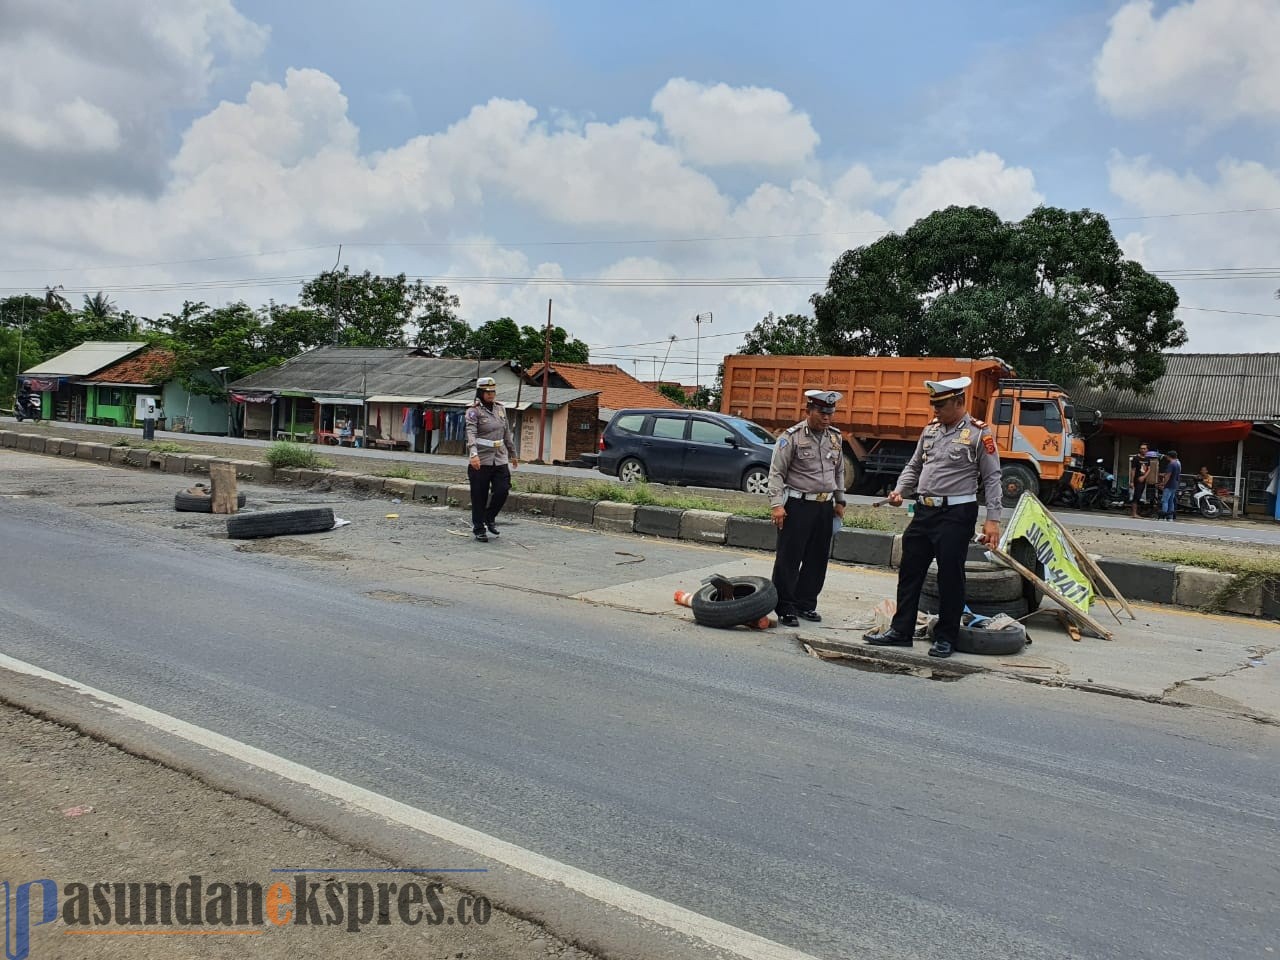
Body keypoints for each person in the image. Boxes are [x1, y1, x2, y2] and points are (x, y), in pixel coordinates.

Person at [863, 376, 1002, 659]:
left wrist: (993, 520)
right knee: (910, 571)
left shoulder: (978, 434)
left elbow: (992, 478)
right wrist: (900, 490)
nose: (935, 410)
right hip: (924, 512)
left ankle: (946, 637)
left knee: (950, 577)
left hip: (956, 513)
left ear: (959, 402)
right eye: (933, 405)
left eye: (941, 405)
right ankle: (901, 631)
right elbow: (913, 466)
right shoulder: (931, 431)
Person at [767, 389, 847, 627]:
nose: (826, 418)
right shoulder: (790, 437)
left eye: (830, 413)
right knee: (790, 558)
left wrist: (840, 500)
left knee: (817, 558)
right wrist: (776, 505)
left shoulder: (835, 437)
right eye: (822, 413)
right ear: (808, 411)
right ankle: (785, 606)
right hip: (797, 505)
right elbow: (776, 473)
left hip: (824, 506)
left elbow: (839, 471)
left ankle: (806, 604)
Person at [465, 376, 519, 542]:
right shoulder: (473, 411)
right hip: (481, 459)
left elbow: (506, 433)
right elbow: (471, 433)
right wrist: (473, 454)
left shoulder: (500, 409)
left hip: (500, 457)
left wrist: (513, 454)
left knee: (502, 490)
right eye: (486, 392)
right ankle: (479, 528)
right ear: (480, 393)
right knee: (479, 496)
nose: (490, 395)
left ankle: (490, 517)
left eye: (492, 391)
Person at [1159, 449, 1182, 520]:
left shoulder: (1171, 464)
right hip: (1175, 484)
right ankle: (1170, 517)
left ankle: (1163, 516)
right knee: (1171, 501)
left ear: (1169, 456)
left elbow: (1168, 476)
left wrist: (1163, 484)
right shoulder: (1177, 464)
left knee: (1164, 500)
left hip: (1169, 485)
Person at [1129, 443, 1150, 518]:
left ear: (1147, 450)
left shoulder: (1147, 459)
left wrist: (1144, 477)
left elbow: (1149, 469)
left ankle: (1136, 513)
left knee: (1139, 496)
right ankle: (1134, 513)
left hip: (1143, 480)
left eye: (1144, 448)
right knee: (1136, 496)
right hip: (1136, 480)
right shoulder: (1136, 458)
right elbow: (1133, 470)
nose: (1143, 450)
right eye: (1141, 448)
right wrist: (1131, 481)